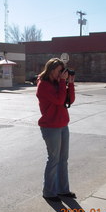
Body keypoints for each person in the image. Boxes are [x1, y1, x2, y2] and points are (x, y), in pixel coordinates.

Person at [36, 58, 76, 202]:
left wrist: (70, 83)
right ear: (52, 70)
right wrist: (62, 82)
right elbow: (59, 101)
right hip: (50, 127)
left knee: (63, 159)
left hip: (63, 125)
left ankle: (63, 190)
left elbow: (69, 101)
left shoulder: (57, 83)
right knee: (53, 160)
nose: (62, 74)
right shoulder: (43, 85)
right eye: (60, 71)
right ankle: (48, 192)